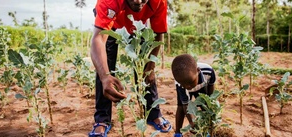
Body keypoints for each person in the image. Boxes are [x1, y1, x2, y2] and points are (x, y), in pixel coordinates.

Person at [89, 0, 171, 136]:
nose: (138, 1)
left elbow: (158, 33)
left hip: (137, 25)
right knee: (104, 65)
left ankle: (153, 113)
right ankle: (102, 119)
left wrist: (150, 67)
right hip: (111, 24)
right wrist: (104, 76)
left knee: (145, 63)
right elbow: (98, 39)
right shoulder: (108, 1)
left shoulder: (159, 1)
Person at [171, 54, 216, 137]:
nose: (188, 86)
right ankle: (178, 133)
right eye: (183, 84)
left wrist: (210, 101)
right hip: (184, 92)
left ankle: (207, 130)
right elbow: (186, 105)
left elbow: (211, 86)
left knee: (205, 105)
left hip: (201, 86)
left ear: (198, 71)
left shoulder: (208, 71)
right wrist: (192, 122)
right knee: (180, 107)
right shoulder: (180, 84)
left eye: (191, 82)